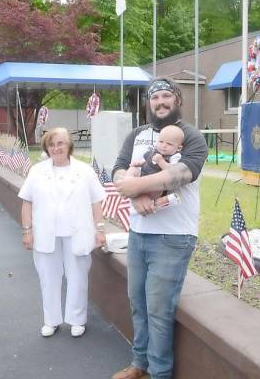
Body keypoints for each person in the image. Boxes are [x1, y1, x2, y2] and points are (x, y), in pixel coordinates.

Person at [111, 77, 208, 379]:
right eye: (155, 97)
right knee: (138, 304)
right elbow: (118, 169)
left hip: (173, 237)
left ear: (178, 100)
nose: (161, 102)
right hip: (138, 233)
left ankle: (160, 373)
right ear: (148, 103)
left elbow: (178, 175)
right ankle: (140, 365)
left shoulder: (191, 136)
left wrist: (132, 187)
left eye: (167, 96)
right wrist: (134, 192)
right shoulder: (137, 135)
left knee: (159, 311)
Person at [19, 127, 106, 338]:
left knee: (77, 277)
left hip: (77, 232)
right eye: (52, 144)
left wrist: (100, 229)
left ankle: (77, 320)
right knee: (48, 277)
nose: (56, 148)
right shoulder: (37, 171)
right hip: (46, 234)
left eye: (61, 143)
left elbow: (96, 202)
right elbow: (27, 202)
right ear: (46, 148)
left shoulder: (85, 171)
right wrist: (27, 230)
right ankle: (51, 320)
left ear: (69, 146)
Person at [126, 124, 184, 200]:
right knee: (133, 169)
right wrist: (139, 163)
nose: (164, 145)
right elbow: (147, 160)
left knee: (157, 190)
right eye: (161, 142)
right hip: (143, 175)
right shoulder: (154, 151)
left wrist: (161, 161)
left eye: (169, 144)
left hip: (156, 184)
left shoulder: (175, 156)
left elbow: (172, 171)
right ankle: (127, 185)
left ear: (178, 148)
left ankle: (145, 197)